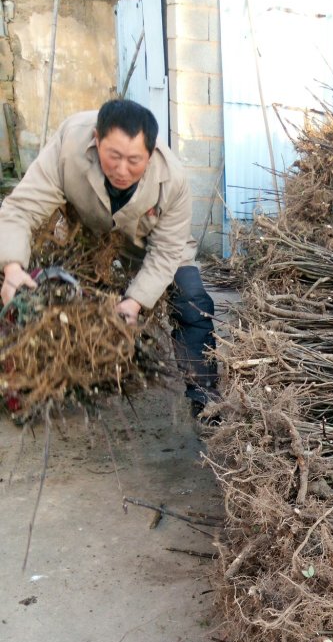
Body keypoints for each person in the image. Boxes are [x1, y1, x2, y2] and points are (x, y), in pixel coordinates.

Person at [0, 98, 217, 416]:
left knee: (193, 302)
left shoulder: (173, 179)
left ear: (152, 151)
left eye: (134, 160)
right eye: (113, 156)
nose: (122, 170)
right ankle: (27, 382)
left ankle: (205, 400)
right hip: (88, 237)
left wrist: (135, 302)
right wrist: (12, 267)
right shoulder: (70, 144)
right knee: (24, 286)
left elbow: (167, 251)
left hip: (151, 247)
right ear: (96, 140)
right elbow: (21, 209)